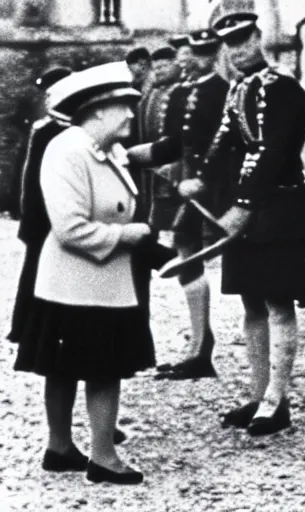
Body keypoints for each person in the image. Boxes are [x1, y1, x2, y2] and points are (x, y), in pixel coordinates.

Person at [13, 62, 161, 484]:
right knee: (89, 367)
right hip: (74, 280)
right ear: (96, 111)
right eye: (123, 107)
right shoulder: (67, 150)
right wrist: (131, 234)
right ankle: (96, 456)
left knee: (96, 365)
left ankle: (76, 449)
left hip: (100, 280)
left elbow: (130, 167)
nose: (133, 115)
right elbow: (70, 228)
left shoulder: (107, 149)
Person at [195, 6, 305, 436]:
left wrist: (244, 203)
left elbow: (270, 152)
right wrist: (198, 178)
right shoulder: (239, 91)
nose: (235, 50)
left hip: (279, 210)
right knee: (251, 301)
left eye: (242, 40)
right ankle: (257, 394)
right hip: (251, 212)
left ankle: (277, 400)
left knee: (276, 302)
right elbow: (223, 144)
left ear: (257, 39)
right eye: (228, 44)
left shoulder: (283, 89)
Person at [127, 29, 229, 380]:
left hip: (211, 186)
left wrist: (202, 178)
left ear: (215, 56)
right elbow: (172, 141)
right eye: (193, 53)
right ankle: (200, 345)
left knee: (202, 257)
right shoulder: (183, 92)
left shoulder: (222, 91)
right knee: (186, 254)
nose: (196, 60)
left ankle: (202, 347)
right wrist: (136, 156)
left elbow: (224, 141)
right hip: (184, 183)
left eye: (204, 53)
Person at [7, 67, 73, 345]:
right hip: (43, 218)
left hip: (59, 213)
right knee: (37, 273)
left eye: (50, 93)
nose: (46, 100)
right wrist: (29, 220)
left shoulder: (61, 129)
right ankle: (29, 328)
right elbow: (29, 180)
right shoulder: (44, 129)